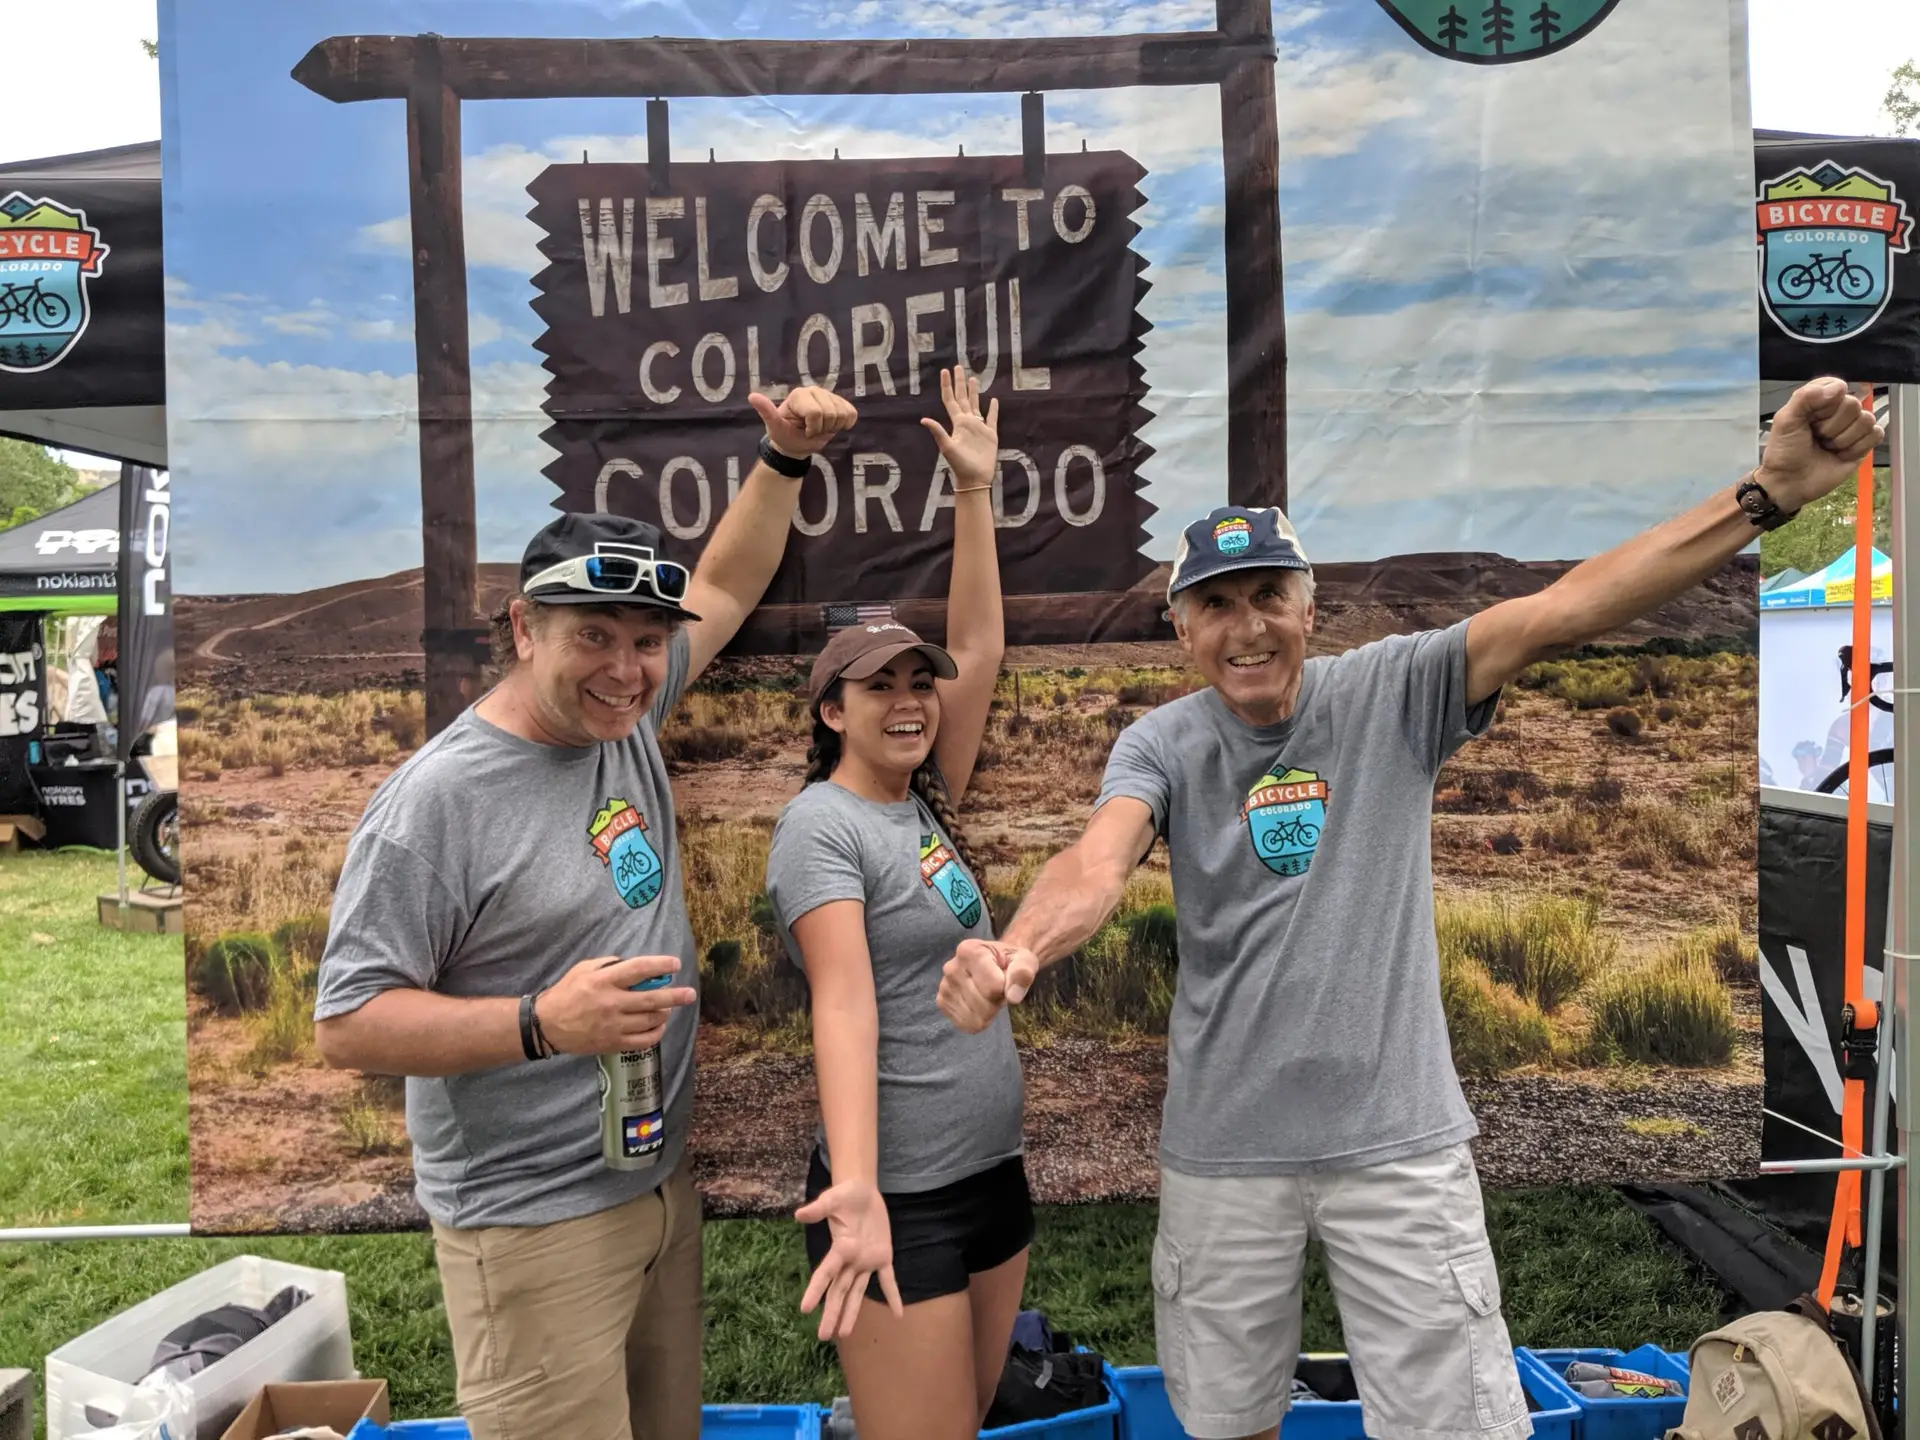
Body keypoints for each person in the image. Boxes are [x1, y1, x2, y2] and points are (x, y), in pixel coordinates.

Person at [937, 375, 1883, 1440]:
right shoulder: (1163, 743)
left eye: (1267, 597)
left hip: (1397, 1145)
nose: (1246, 627)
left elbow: (1570, 605)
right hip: (1224, 1149)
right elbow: (1097, 859)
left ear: (1308, 605)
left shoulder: (1392, 687)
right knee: (1224, 1422)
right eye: (1216, 603)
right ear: (1180, 626)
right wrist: (1017, 951)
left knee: (1452, 1426)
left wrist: (1763, 497)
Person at [312, 384, 858, 1440]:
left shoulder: (624, 717)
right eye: (594, 636)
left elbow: (730, 579)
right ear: (524, 628)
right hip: (528, 1226)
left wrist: (783, 457)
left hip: (654, 1187)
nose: (626, 668)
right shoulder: (438, 804)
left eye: (648, 640)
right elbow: (347, 1022)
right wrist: (537, 1023)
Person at [763, 367, 1019, 1440]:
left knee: (974, 1414)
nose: (913, 702)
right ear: (832, 708)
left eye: (922, 684)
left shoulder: (922, 802)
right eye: (884, 688)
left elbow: (987, 647)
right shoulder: (822, 825)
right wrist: (858, 1189)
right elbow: (844, 1004)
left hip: (990, 1179)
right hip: (898, 1200)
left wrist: (972, 491)